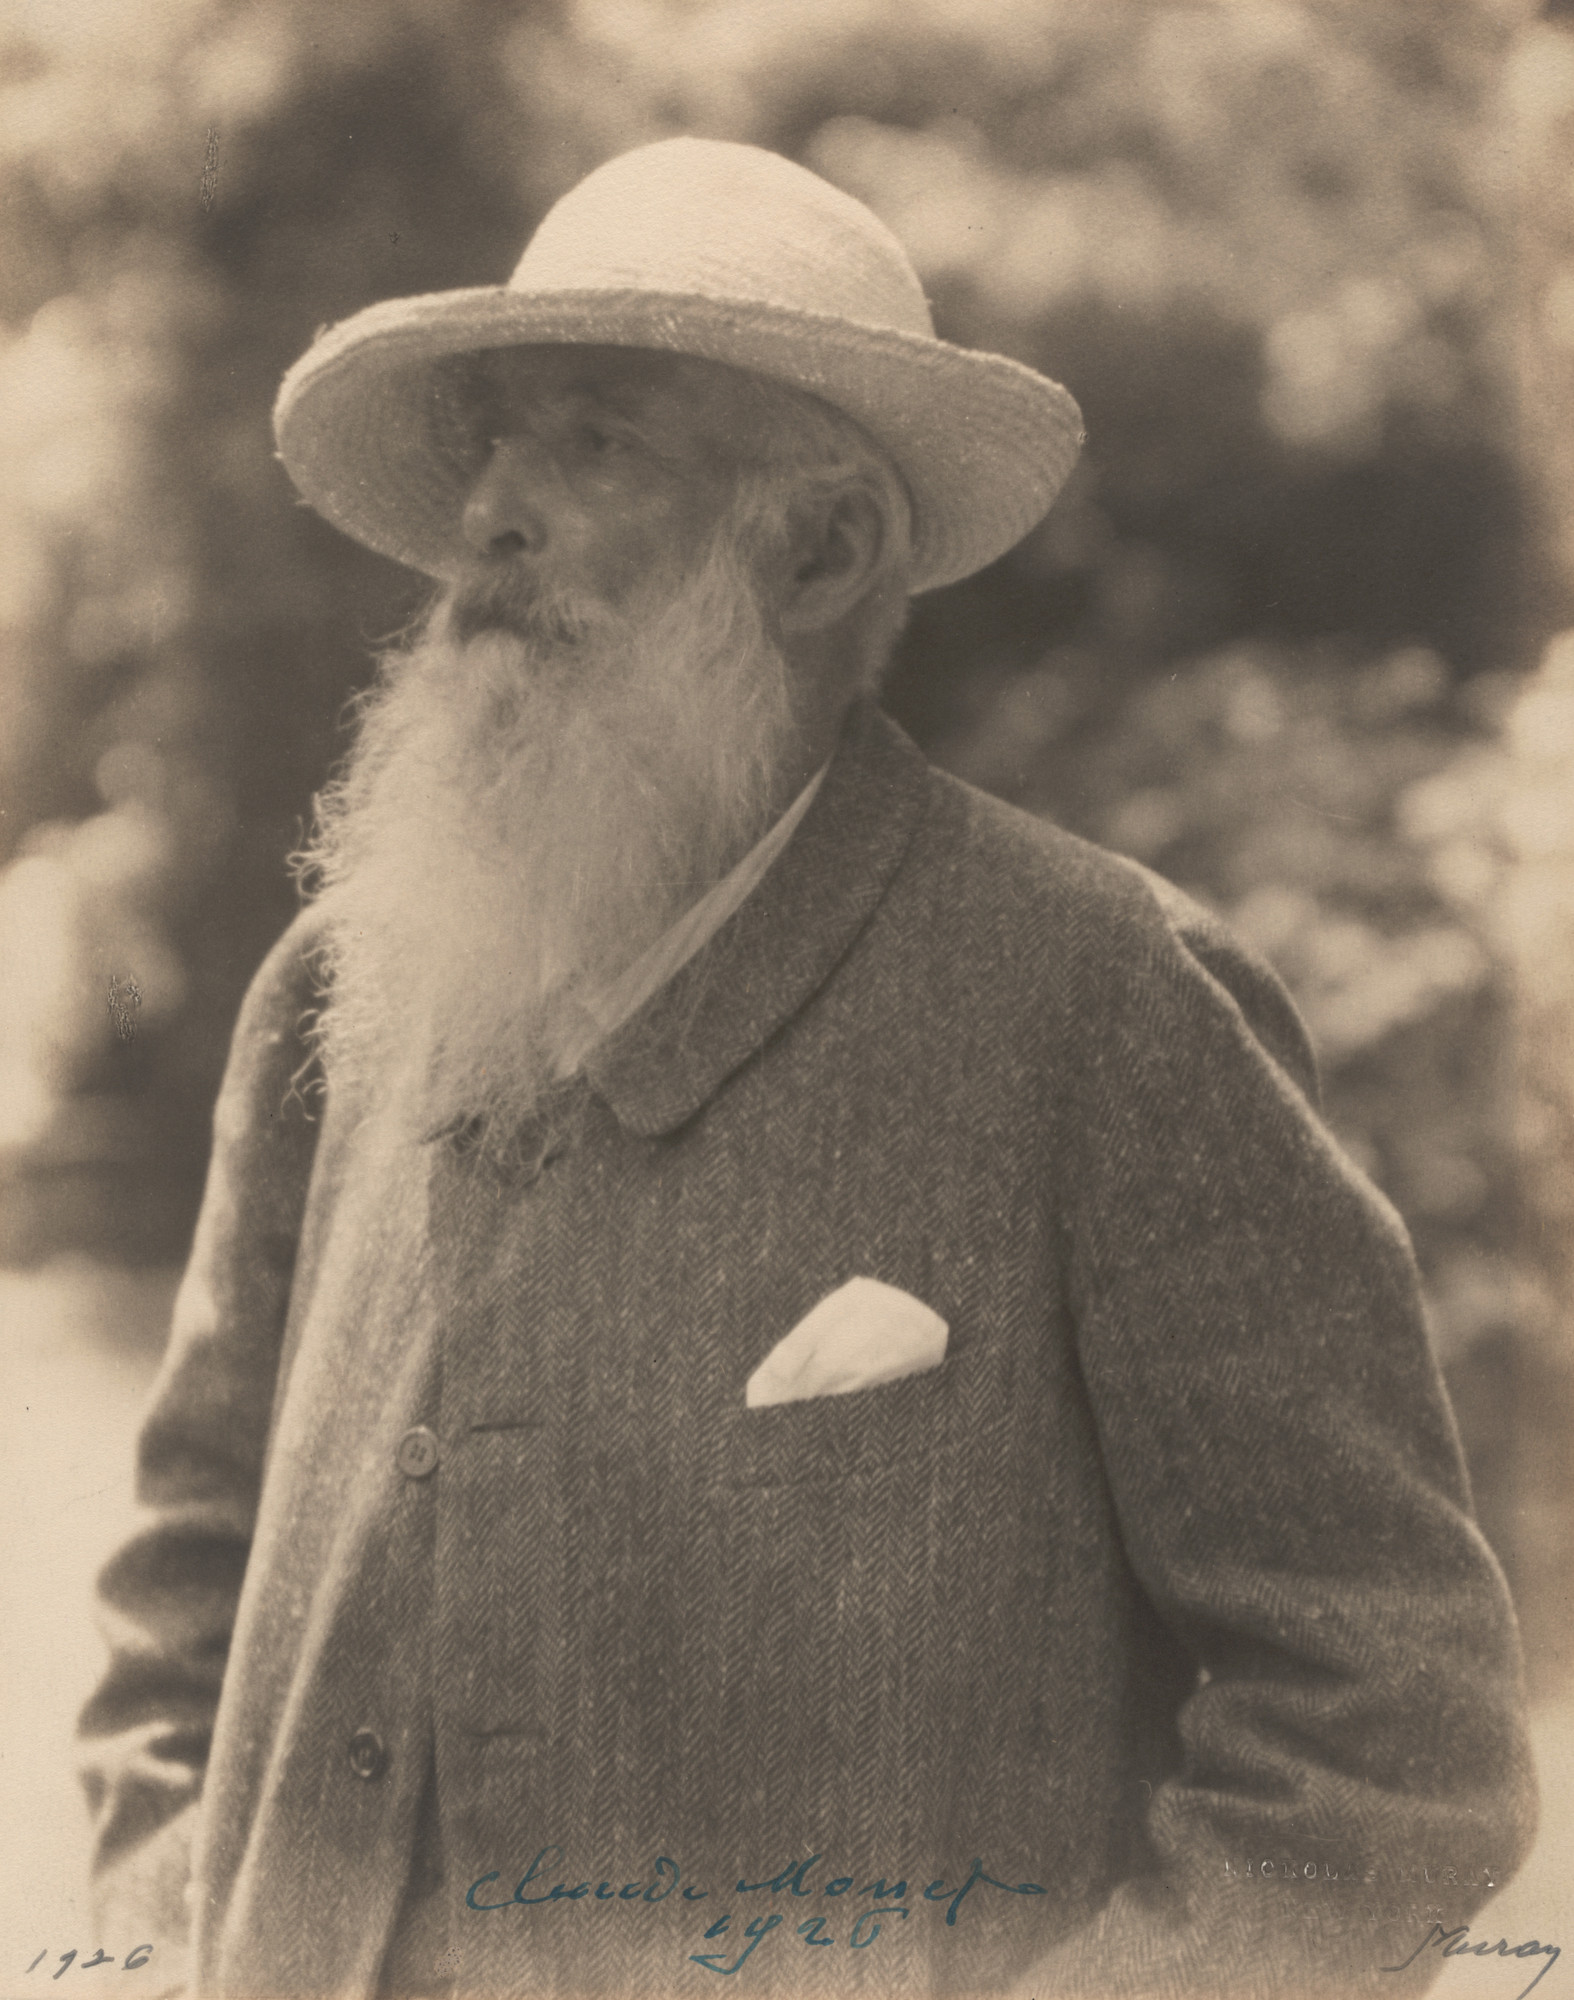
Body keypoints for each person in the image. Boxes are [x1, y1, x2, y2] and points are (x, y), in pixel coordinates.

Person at [79, 136, 1536, 2000]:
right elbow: (179, 1611)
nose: (490, 514)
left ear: (820, 549)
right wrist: (165, 1947)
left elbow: (1388, 1741)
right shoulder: (329, 995)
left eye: (595, 441)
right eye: (495, 442)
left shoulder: (1104, 1005)